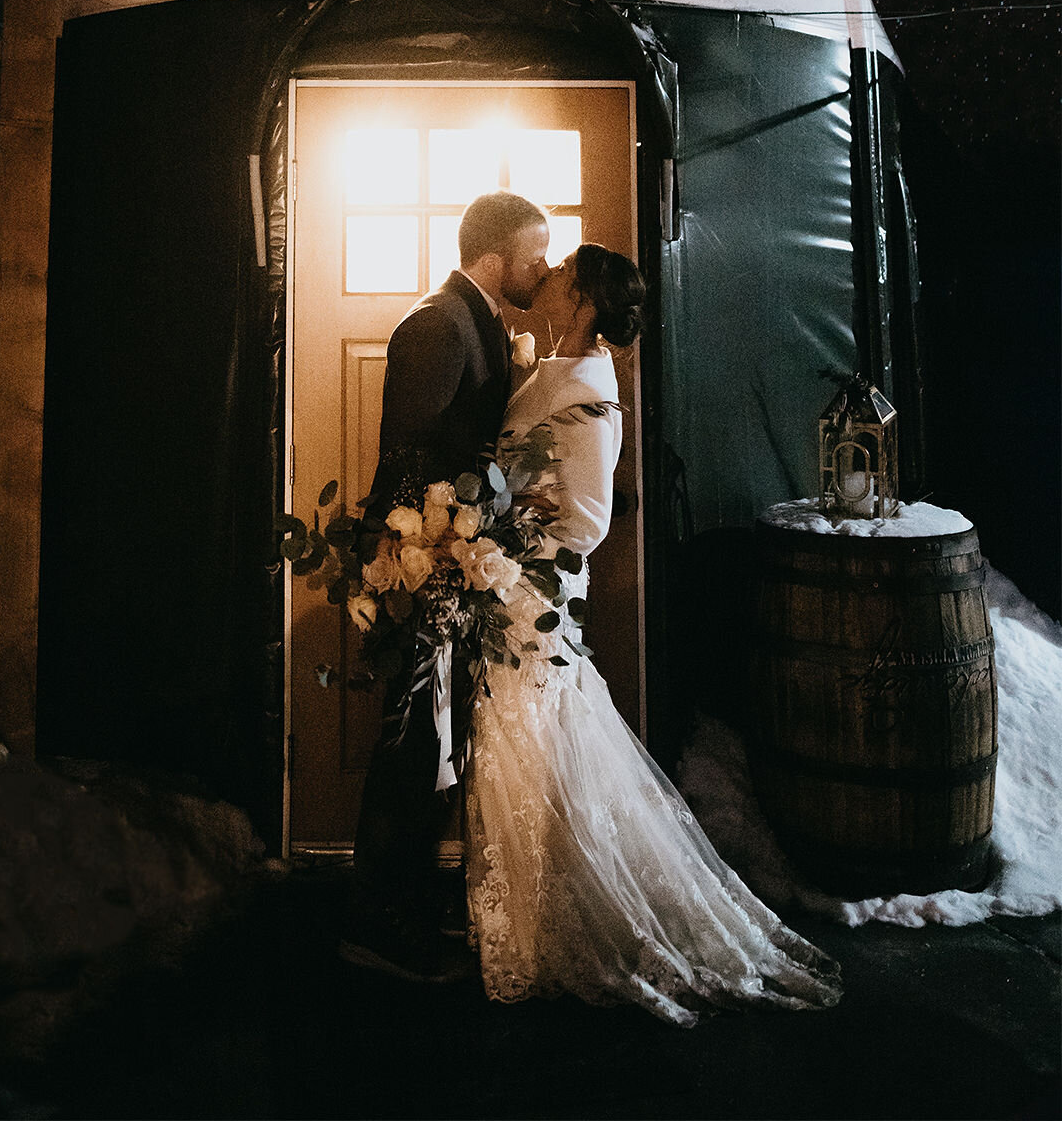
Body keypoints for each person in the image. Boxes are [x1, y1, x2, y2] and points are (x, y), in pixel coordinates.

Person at [466, 244, 843, 1023]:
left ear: (585, 304)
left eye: (564, 276)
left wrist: (508, 532)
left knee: (534, 739)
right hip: (505, 584)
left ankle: (557, 922)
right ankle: (524, 917)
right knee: (518, 742)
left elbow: (589, 519)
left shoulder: (594, 396)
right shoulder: (544, 365)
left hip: (534, 588)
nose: (552, 278)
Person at [341, 190, 551, 982]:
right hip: (417, 567)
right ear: (495, 254)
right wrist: (427, 559)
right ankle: (374, 924)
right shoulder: (437, 323)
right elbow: (406, 459)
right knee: (407, 746)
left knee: (430, 747)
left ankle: (405, 907)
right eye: (536, 253)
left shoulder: (483, 321)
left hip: (452, 568)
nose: (545, 266)